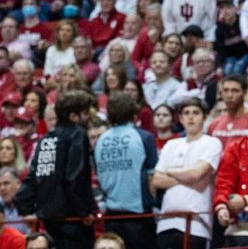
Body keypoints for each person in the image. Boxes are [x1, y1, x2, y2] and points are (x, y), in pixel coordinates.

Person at [14, 90, 98, 249]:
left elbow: (33, 176)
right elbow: (75, 177)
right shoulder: (77, 134)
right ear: (74, 116)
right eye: (86, 113)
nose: (89, 117)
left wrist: (24, 207)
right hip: (73, 219)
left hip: (49, 220)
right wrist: (84, 211)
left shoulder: (46, 139)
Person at [153, 97, 223, 249]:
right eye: (186, 113)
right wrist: (189, 176)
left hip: (197, 225)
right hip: (166, 223)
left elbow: (195, 175)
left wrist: (170, 171)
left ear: (204, 117)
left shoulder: (212, 143)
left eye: (196, 113)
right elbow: (156, 180)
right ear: (180, 118)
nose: (191, 117)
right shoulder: (171, 144)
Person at [93, 92, 158, 249]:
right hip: (139, 215)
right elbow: (152, 178)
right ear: (133, 112)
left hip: (111, 214)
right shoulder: (144, 137)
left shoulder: (101, 140)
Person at [214, 132, 248, 244]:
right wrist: (221, 207)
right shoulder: (236, 147)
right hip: (238, 230)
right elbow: (224, 182)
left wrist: (245, 200)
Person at [207, 74, 248, 148]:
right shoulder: (215, 124)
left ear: (245, 93)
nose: (229, 95)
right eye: (225, 90)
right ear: (221, 93)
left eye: (235, 91)